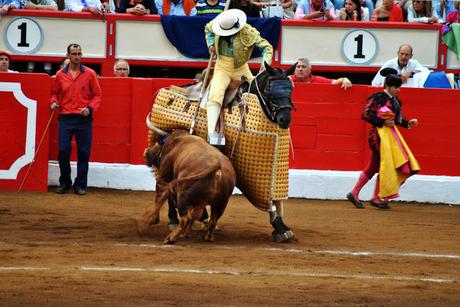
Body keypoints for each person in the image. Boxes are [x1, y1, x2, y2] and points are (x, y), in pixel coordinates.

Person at [347, 70, 420, 209]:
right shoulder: (378, 97)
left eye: (399, 87)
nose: (398, 90)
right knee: (386, 165)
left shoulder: (396, 101)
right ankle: (377, 197)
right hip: (377, 137)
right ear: (388, 86)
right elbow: (366, 114)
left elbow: (397, 120)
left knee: (375, 166)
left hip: (390, 137)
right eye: (396, 87)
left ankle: (357, 193)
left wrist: (407, 123)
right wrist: (382, 122)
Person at [204, 9, 273, 145]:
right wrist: (211, 43)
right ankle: (211, 132)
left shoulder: (248, 31)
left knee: (259, 92)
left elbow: (267, 47)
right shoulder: (218, 23)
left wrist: (265, 64)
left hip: (241, 69)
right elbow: (208, 29)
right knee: (215, 93)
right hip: (222, 67)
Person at [51, 43, 102, 196]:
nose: (77, 57)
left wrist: (90, 108)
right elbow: (54, 93)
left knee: (84, 152)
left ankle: (80, 184)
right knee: (63, 151)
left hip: (83, 118)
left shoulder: (90, 73)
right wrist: (53, 101)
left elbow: (98, 95)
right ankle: (65, 182)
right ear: (68, 56)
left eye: (79, 53)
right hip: (66, 118)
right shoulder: (60, 75)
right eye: (74, 54)